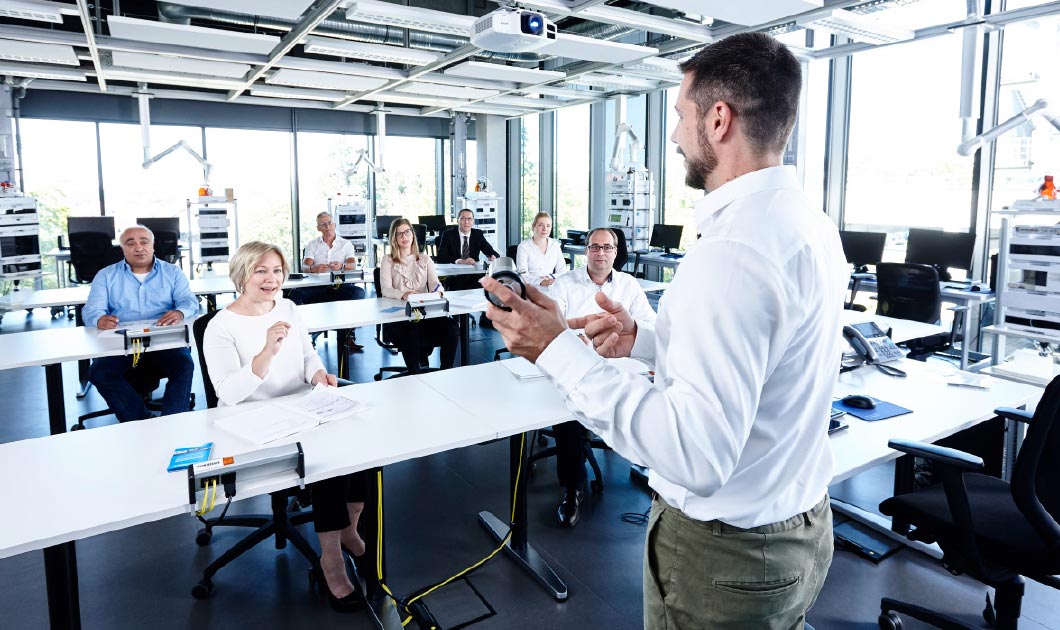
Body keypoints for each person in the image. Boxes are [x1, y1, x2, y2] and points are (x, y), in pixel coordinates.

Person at [481, 32, 848, 629]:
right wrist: (643, 341)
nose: (675, 135)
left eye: (681, 116)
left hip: (726, 554)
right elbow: (763, 361)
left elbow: (695, 455)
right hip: (798, 526)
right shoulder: (807, 224)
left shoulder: (733, 250)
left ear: (720, 119)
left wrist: (557, 350)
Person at [202, 241, 368, 613]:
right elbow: (229, 394)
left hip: (303, 408)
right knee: (326, 464)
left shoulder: (290, 307)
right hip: (251, 421)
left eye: (277, 270)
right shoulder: (220, 326)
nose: (271, 279)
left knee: (361, 440)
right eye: (261, 271)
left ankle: (348, 527)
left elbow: (308, 354)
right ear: (242, 274)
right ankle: (331, 560)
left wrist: (318, 374)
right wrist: (266, 353)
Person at [549, 227, 655, 528]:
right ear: (586, 251)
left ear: (615, 251)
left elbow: (649, 324)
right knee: (568, 410)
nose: (601, 253)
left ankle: (648, 464)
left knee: (646, 395)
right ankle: (573, 487)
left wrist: (626, 332)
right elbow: (554, 329)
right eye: (595, 247)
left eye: (607, 248)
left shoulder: (628, 285)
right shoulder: (564, 284)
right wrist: (577, 339)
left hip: (620, 365)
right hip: (577, 367)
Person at [83, 225, 197, 422]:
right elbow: (92, 311)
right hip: (122, 343)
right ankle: (140, 421)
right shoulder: (106, 275)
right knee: (99, 372)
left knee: (184, 364)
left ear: (153, 246)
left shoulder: (173, 273)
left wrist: (179, 312)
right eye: (130, 243)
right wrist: (98, 319)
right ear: (122, 249)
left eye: (144, 242)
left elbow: (189, 302)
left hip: (163, 340)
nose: (138, 247)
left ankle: (174, 422)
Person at [379, 218, 458, 373]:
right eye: (399, 234)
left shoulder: (424, 258)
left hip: (424, 313)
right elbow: (386, 289)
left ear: (413, 234)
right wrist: (403, 294)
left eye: (407, 232)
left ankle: (446, 371)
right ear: (394, 238)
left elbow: (435, 283)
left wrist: (439, 291)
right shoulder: (387, 260)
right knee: (411, 330)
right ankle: (415, 374)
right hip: (400, 316)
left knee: (452, 327)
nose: (404, 237)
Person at [289, 211, 366, 351]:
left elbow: (352, 265)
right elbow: (305, 266)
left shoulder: (345, 244)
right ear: (318, 228)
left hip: (339, 286)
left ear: (335, 224)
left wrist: (342, 266)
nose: (328, 226)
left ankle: (348, 335)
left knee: (358, 292)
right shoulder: (312, 244)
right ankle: (305, 335)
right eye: (323, 224)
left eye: (330, 223)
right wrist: (314, 268)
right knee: (294, 295)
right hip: (317, 287)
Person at [516, 211, 566, 292]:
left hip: (552, 287)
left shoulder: (555, 245)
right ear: (533, 227)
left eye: (548, 226)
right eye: (540, 225)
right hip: (531, 289)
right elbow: (522, 275)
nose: (545, 229)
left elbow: (563, 271)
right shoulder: (523, 247)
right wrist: (541, 281)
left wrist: (551, 278)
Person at [436, 208, 501, 266]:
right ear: (457, 221)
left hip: (473, 272)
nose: (466, 222)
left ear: (473, 222)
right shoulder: (448, 234)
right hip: (454, 273)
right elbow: (441, 258)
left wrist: (493, 256)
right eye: (463, 218)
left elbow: (491, 252)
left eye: (469, 219)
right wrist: (460, 261)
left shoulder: (478, 234)